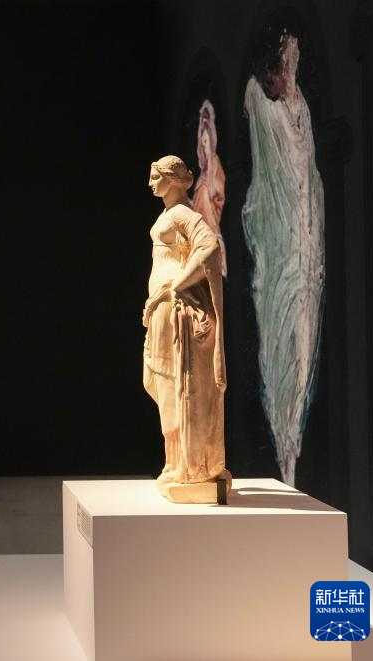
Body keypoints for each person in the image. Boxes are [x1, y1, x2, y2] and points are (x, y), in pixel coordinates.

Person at [242, 32, 325, 486]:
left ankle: (292, 447)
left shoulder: (301, 110)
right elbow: (275, 174)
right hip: (282, 252)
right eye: (286, 56)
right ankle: (283, 449)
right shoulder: (265, 106)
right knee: (280, 341)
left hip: (307, 249)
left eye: (295, 55)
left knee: (304, 342)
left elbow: (308, 173)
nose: (291, 64)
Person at [142, 155, 229, 503]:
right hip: (163, 307)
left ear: (172, 179)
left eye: (155, 177)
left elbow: (209, 245)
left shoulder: (180, 213)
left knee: (172, 383)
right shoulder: (170, 214)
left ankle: (183, 465)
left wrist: (178, 283)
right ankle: (177, 462)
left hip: (174, 308)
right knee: (161, 382)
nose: (150, 183)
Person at [190, 100, 227, 276]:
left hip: (211, 237)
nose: (204, 146)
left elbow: (217, 197)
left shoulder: (215, 167)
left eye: (206, 141)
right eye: (202, 141)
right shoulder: (200, 179)